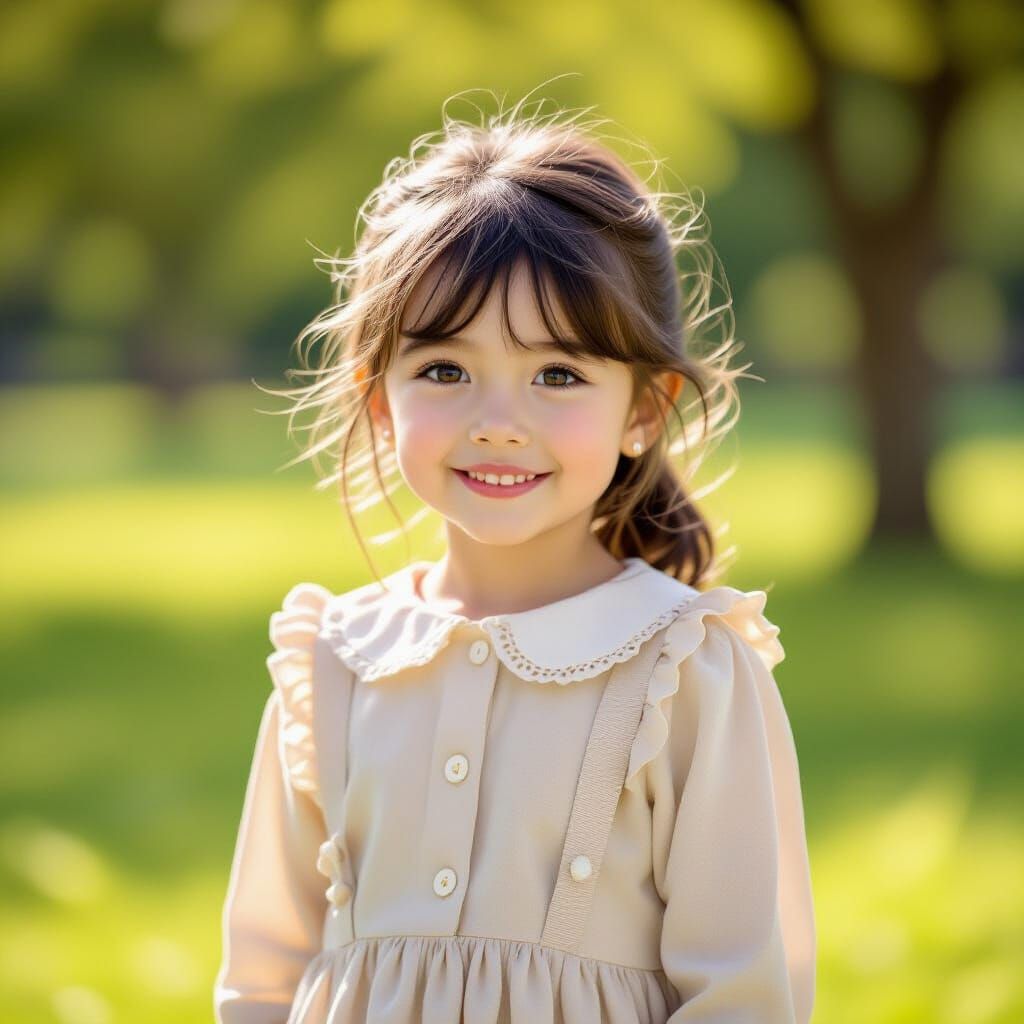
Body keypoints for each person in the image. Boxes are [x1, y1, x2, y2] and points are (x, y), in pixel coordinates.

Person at [213, 90, 816, 1024]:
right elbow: (261, 979)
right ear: (379, 400)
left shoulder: (689, 670)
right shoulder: (332, 662)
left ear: (643, 410)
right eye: (445, 370)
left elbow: (743, 995)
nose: (498, 423)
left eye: (558, 374)